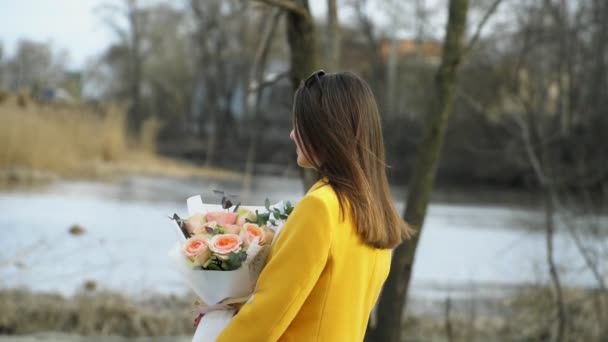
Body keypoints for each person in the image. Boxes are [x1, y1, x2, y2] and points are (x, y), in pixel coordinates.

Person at [216, 70, 412, 341]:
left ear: (325, 132)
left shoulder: (321, 208)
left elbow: (268, 315)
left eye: (301, 125)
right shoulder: (373, 212)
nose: (292, 135)